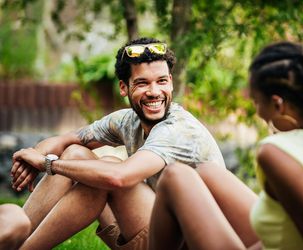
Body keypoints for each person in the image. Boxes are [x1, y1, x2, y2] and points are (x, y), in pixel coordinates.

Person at [146, 41, 303, 249]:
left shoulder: (278, 152)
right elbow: (302, 227)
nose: (259, 113)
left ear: (278, 105)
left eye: (258, 103)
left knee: (175, 175)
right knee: (206, 171)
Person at [10, 37, 226, 249]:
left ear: (170, 82)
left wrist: (47, 164)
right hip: (159, 231)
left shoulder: (177, 128)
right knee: (77, 153)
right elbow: (66, 140)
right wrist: (32, 155)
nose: (154, 92)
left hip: (189, 241)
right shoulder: (127, 121)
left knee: (107, 173)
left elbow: (119, 177)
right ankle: (12, 235)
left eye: (161, 81)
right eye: (142, 83)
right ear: (124, 87)